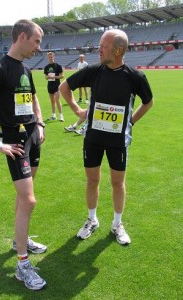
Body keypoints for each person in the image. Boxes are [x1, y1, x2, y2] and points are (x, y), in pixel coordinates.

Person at [0, 19, 47, 290]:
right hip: (14, 142)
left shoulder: (25, 68)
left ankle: (20, 242)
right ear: (22, 37)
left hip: (32, 139)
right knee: (29, 200)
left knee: (23, 196)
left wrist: (39, 122)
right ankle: (22, 265)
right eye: (36, 41)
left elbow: (34, 98)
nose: (39, 47)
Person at [60, 29, 153, 246]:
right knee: (93, 180)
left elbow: (148, 102)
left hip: (118, 141)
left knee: (117, 182)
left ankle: (117, 224)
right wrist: (77, 111)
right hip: (92, 138)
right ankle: (92, 220)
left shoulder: (135, 76)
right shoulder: (94, 71)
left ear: (118, 50)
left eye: (103, 46)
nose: (98, 50)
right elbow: (65, 87)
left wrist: (131, 121)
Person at [44, 51, 64, 121]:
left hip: (57, 86)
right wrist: (48, 77)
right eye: (49, 57)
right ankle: (53, 115)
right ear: (48, 58)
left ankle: (61, 116)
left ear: (53, 57)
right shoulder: (46, 67)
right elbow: (45, 77)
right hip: (50, 86)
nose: (50, 58)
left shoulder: (58, 66)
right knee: (52, 101)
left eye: (51, 57)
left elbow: (62, 76)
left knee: (57, 100)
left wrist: (54, 77)